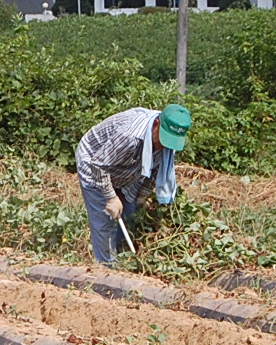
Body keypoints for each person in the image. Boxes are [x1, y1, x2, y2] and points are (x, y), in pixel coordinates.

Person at [75, 104, 191, 265]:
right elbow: (98, 165)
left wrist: (142, 196)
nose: (163, 146)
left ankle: (122, 259)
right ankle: (106, 268)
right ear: (157, 123)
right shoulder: (129, 136)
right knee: (105, 220)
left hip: (128, 168)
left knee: (130, 212)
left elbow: (156, 168)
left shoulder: (169, 142)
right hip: (94, 161)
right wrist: (110, 197)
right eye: (163, 139)